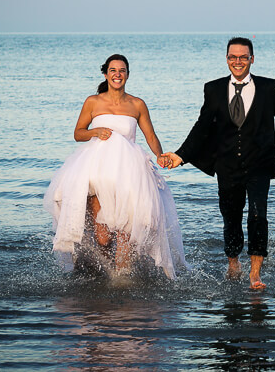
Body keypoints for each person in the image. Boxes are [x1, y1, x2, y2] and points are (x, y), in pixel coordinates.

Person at [162, 37, 275, 290]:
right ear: (227, 59)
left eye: (243, 57)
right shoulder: (213, 89)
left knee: (258, 215)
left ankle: (255, 273)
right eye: (233, 57)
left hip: (260, 163)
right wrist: (181, 155)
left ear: (252, 59)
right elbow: (202, 127)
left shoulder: (268, 87)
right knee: (231, 217)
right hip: (227, 165)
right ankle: (233, 263)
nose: (238, 61)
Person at [43, 54, 188, 280]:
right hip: (97, 172)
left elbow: (150, 136)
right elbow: (78, 133)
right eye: (113, 70)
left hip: (129, 173)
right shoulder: (93, 101)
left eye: (122, 70)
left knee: (126, 230)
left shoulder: (137, 104)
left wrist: (160, 155)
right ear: (105, 74)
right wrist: (95, 131)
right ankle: (101, 271)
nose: (117, 74)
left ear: (128, 74)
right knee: (102, 237)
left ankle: (121, 277)